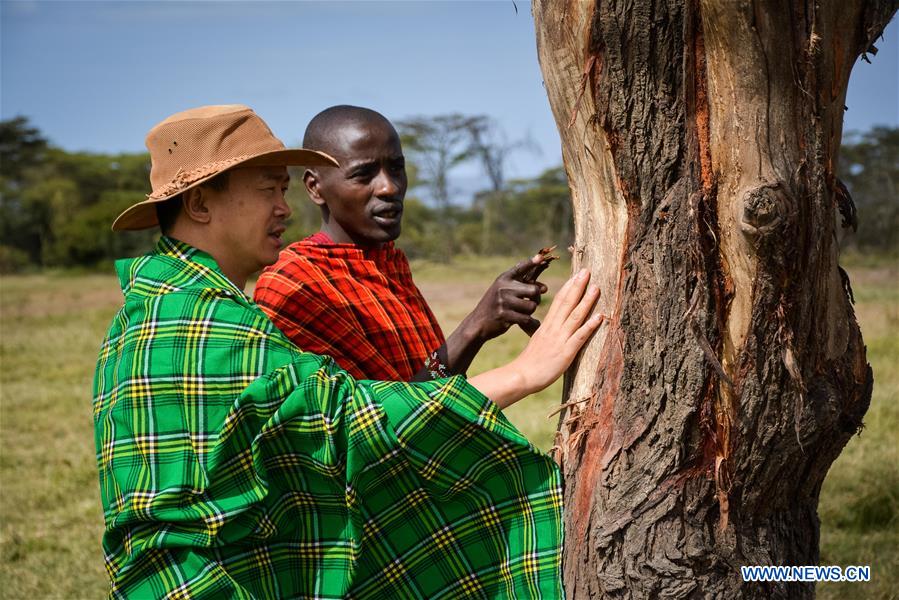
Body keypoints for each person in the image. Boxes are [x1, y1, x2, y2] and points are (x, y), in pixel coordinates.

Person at [94, 104, 602, 598]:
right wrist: (524, 373)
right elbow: (346, 421)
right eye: (268, 190)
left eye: (283, 190)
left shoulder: (167, 305)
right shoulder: (199, 321)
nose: (284, 208)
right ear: (201, 204)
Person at [253, 105, 551, 382]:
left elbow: (431, 382)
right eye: (363, 174)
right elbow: (376, 422)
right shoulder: (293, 284)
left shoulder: (389, 264)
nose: (389, 186)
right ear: (315, 187)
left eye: (396, 168)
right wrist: (475, 327)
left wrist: (486, 322)